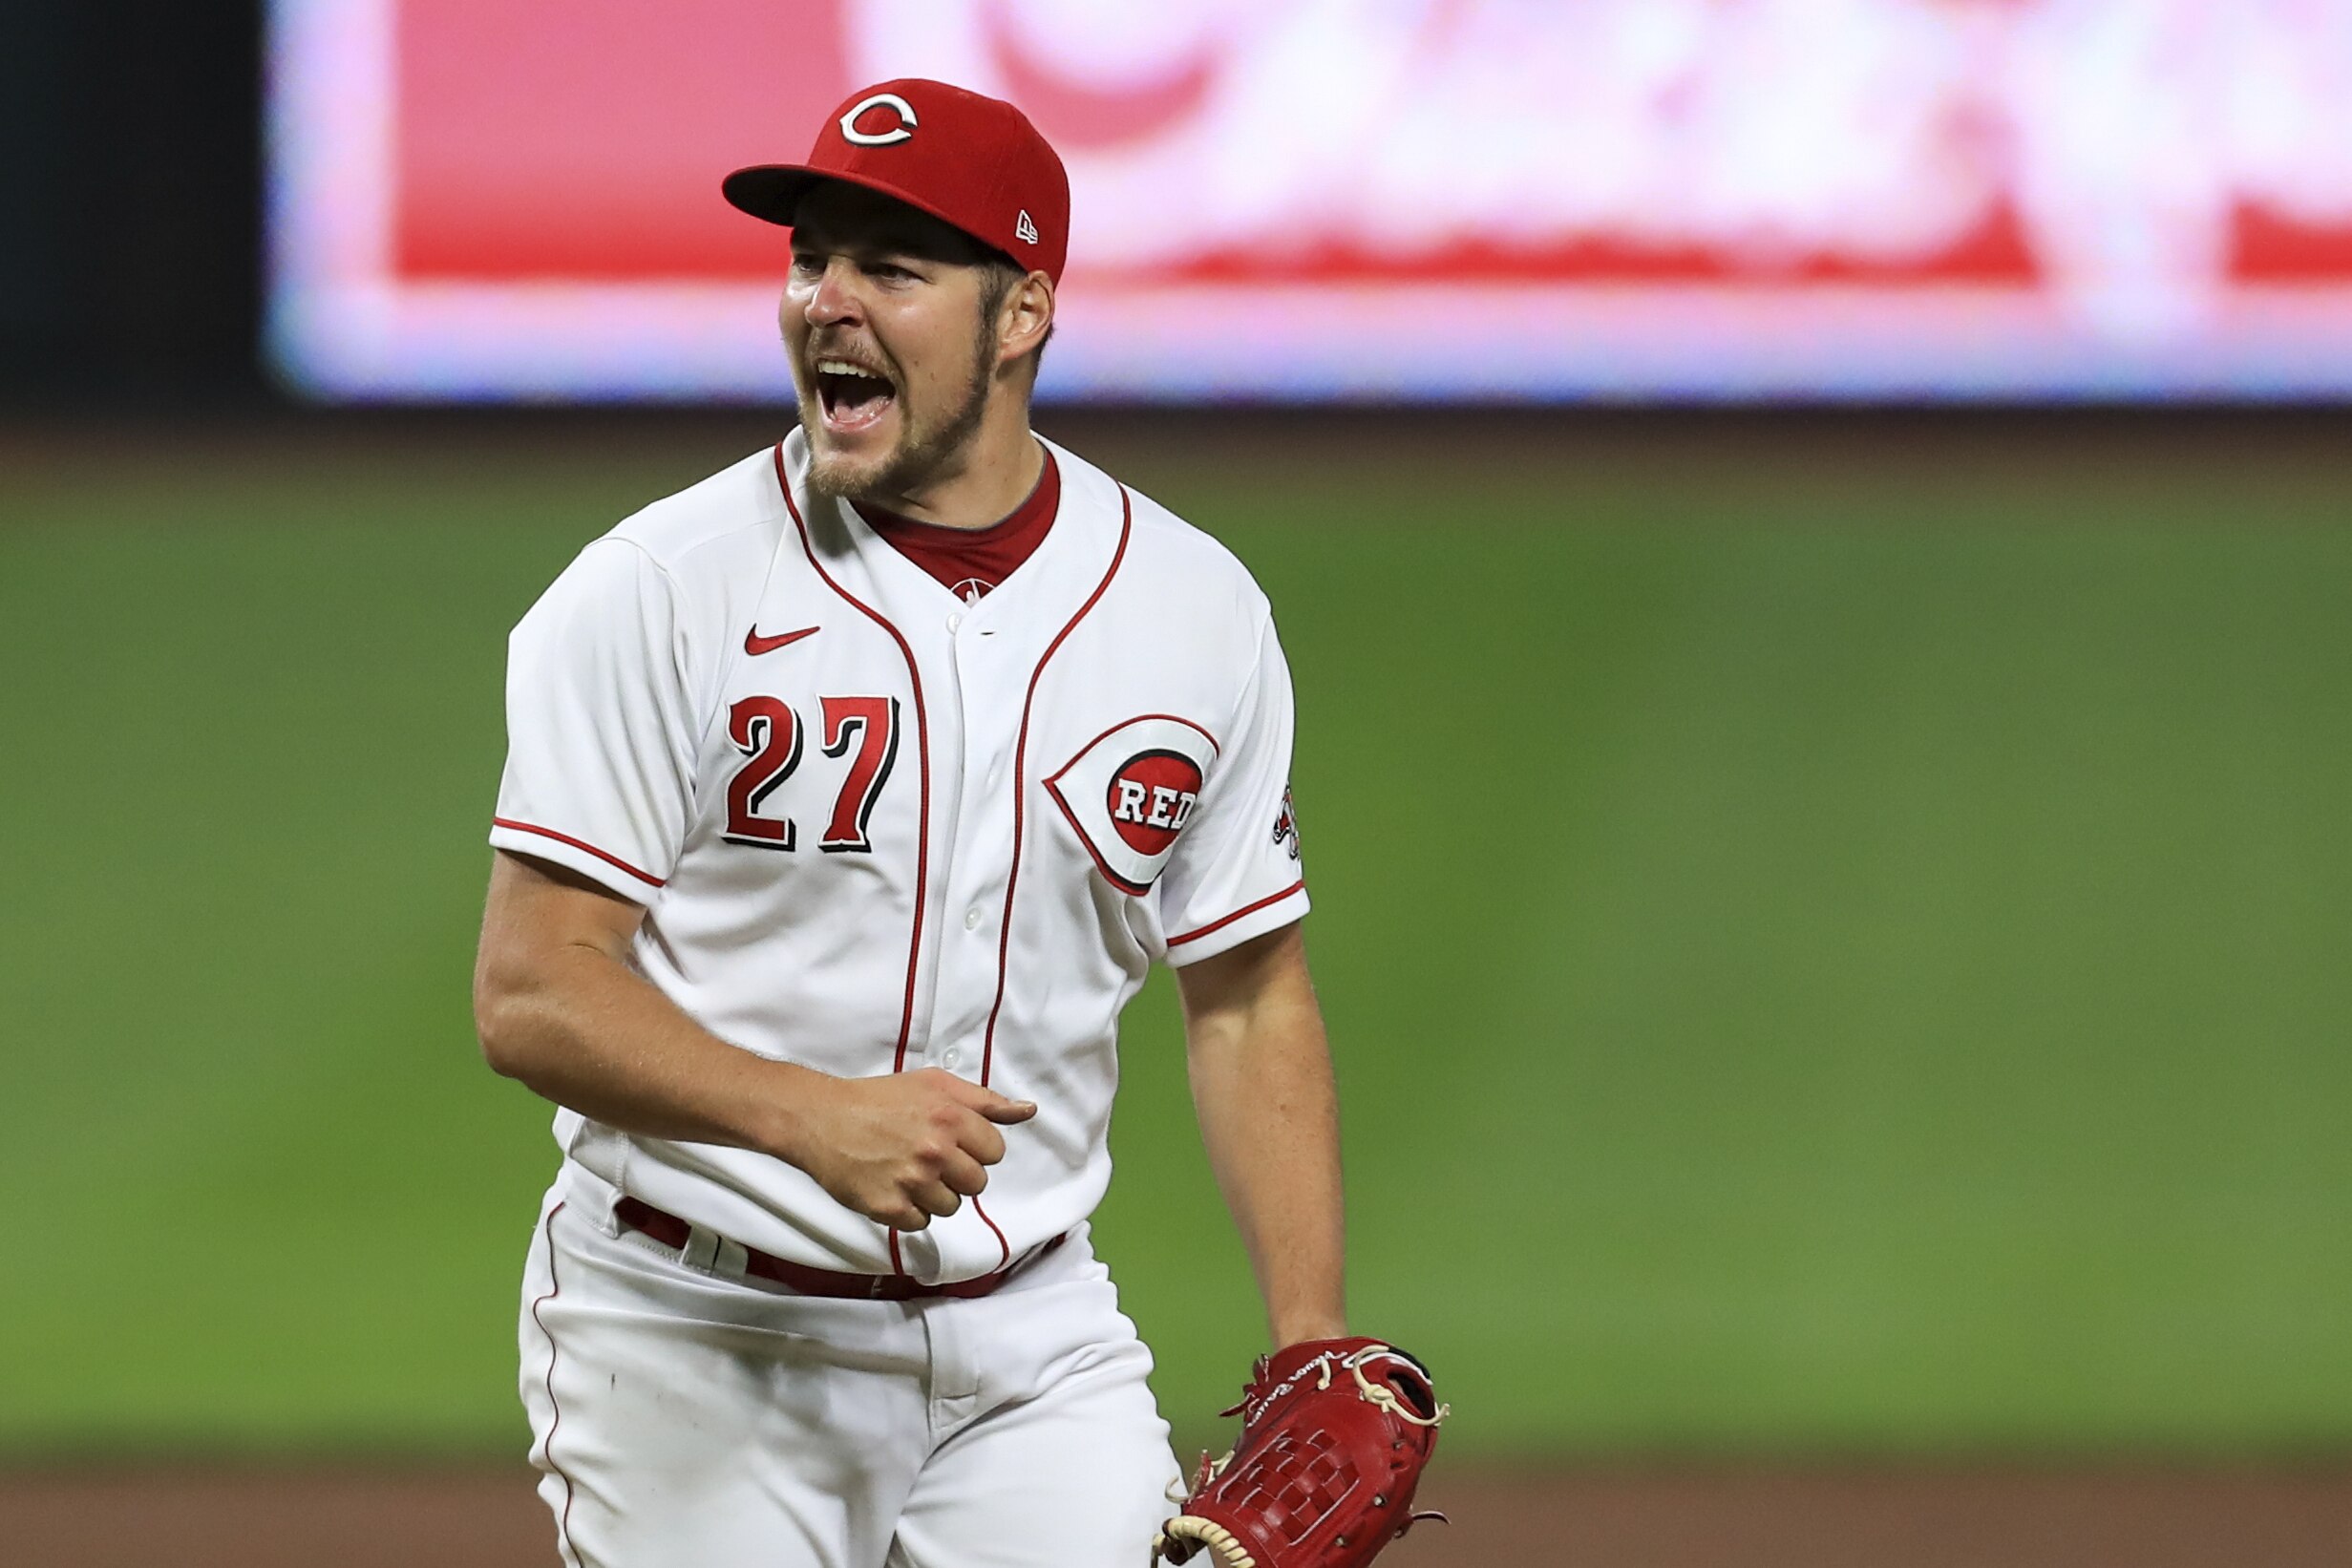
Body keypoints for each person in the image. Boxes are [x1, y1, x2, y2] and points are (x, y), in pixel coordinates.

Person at [471, 79, 1346, 1567]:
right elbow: (533, 986)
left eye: (894, 268)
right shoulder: (656, 589)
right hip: (693, 1327)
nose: (830, 304)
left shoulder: (1194, 610)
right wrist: (810, 1113)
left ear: (1022, 315)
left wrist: (1313, 1343)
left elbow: (1249, 992)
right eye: (814, 260)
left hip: (1033, 1343)